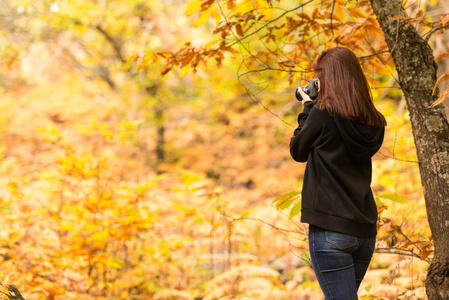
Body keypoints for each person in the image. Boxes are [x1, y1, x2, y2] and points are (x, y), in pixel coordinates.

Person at [289, 47, 386, 299]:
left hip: (330, 229)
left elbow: (298, 150)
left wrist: (308, 107)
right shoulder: (374, 121)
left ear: (328, 78)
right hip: (364, 232)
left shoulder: (323, 114)